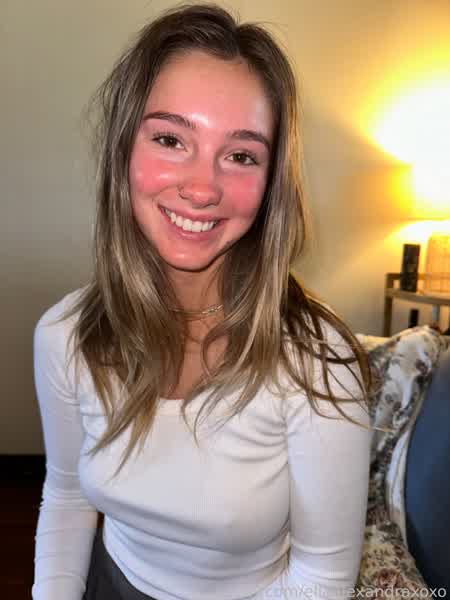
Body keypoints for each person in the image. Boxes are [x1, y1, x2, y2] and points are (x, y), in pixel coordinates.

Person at [32, 3, 373, 599]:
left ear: (270, 183)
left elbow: (321, 577)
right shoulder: (66, 335)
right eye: (170, 139)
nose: (201, 187)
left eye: (240, 155)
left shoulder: (319, 366)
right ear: (123, 151)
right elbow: (66, 496)